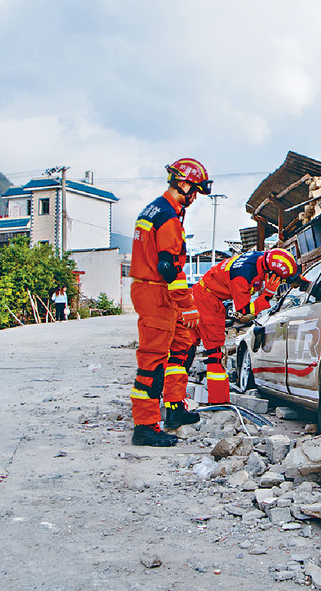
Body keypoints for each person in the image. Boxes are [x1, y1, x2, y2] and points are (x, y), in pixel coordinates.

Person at [129, 158, 211, 447]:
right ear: (184, 185)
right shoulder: (168, 217)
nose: (196, 198)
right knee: (152, 361)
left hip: (155, 290)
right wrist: (187, 303)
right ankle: (145, 426)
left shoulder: (157, 208)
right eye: (195, 191)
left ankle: (175, 408)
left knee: (182, 343)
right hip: (157, 293)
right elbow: (169, 267)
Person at [191, 248, 299, 404]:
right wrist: (267, 294)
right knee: (215, 353)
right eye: (280, 279)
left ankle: (174, 398)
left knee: (184, 349)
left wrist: (299, 280)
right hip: (208, 301)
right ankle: (218, 401)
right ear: (271, 274)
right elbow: (243, 315)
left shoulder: (261, 258)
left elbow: (283, 271)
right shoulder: (242, 277)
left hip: (199, 293)